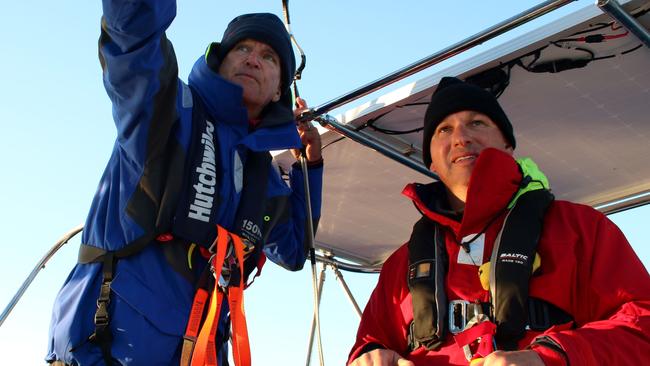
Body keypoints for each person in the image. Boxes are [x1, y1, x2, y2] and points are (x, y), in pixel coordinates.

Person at [46, 1, 323, 365]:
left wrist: (311, 166)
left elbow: (293, 248)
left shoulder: (264, 179)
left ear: (278, 92)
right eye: (242, 48)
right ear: (219, 60)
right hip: (104, 349)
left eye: (269, 56)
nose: (253, 59)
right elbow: (133, 37)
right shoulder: (164, 107)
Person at [348, 76, 650, 366]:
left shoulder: (581, 229)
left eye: (476, 123)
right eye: (444, 130)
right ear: (431, 160)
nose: (461, 138)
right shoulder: (400, 265)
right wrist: (372, 356)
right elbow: (368, 345)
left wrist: (550, 357)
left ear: (508, 145)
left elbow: (643, 329)